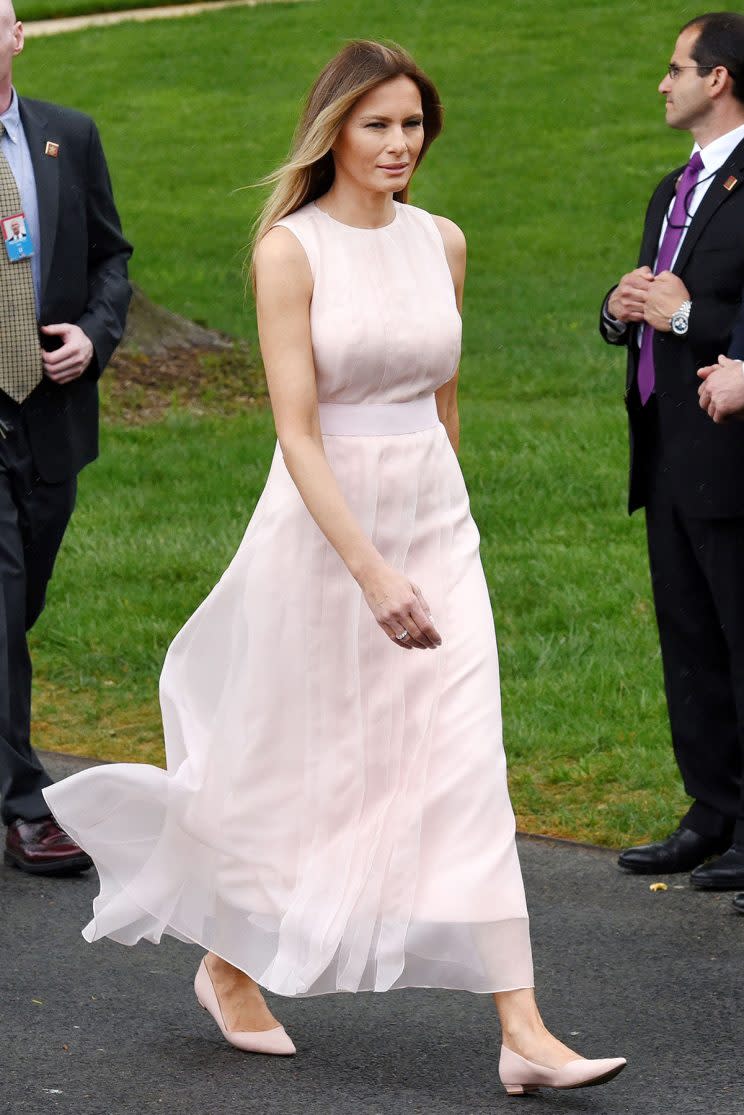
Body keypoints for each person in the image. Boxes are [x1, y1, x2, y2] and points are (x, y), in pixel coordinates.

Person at [45, 41, 625, 1095]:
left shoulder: (444, 241)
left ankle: (523, 1029)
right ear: (335, 132)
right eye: (379, 125)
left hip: (436, 527)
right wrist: (370, 569)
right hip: (323, 530)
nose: (401, 144)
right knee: (303, 758)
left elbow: (445, 403)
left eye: (413, 125)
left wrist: (445, 531)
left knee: (461, 756)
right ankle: (227, 963)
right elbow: (298, 430)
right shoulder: (290, 251)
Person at [600, 12, 744, 908]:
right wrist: (622, 309)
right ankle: (712, 810)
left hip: (734, 450)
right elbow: (660, 304)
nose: (664, 83)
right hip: (666, 447)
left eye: (676, 68)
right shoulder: (672, 188)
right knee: (688, 637)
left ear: (720, 79)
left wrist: (684, 319)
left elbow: (704, 314)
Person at [0, 0, 131, 875]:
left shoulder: (67, 137)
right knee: (2, 605)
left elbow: (113, 258)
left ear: (16, 35)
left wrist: (95, 331)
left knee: (22, 600)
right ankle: (24, 805)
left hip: (49, 418)